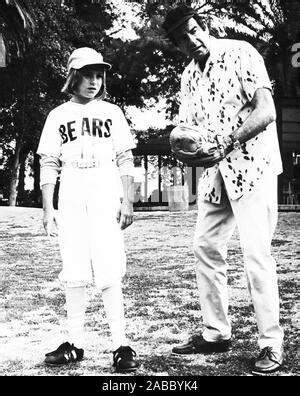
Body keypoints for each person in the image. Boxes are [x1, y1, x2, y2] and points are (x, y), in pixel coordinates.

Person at [162, 6, 284, 375]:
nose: (192, 40)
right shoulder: (188, 76)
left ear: (205, 26)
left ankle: (271, 343)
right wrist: (186, 148)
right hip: (218, 173)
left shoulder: (241, 52)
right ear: (177, 45)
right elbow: (190, 134)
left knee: (256, 254)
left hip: (254, 166)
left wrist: (229, 141)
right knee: (205, 245)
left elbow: (266, 111)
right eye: (183, 38)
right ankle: (216, 333)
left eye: (195, 30)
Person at [37, 47, 139, 373]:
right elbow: (49, 162)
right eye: (87, 74)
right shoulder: (57, 115)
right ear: (73, 76)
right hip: (71, 192)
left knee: (109, 269)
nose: (94, 81)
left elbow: (125, 158)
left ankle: (120, 345)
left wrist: (127, 199)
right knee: (75, 270)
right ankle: (74, 342)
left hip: (104, 189)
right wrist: (48, 208)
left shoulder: (112, 112)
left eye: (99, 75)